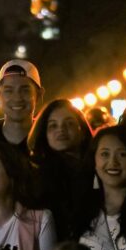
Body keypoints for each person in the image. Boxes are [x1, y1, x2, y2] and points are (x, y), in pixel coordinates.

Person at [28, 99, 94, 238]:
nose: (61, 129)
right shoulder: (38, 177)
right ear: (44, 134)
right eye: (53, 126)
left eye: (69, 123)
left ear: (82, 131)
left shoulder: (99, 168)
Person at [0, 59, 44, 154]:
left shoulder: (49, 141)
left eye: (25, 90)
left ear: (39, 94)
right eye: (8, 91)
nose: (17, 98)